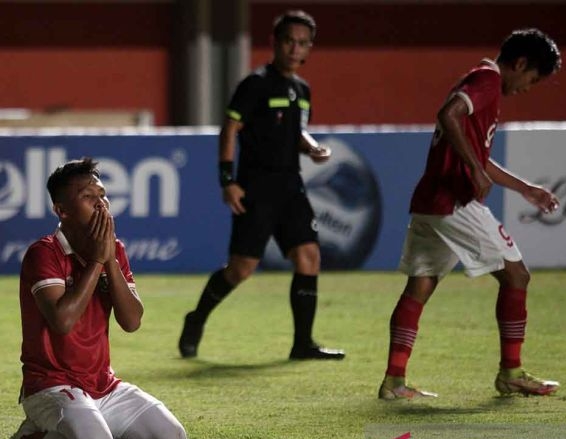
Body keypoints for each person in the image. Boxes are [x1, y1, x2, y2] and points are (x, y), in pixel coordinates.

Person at [378, 28, 562, 400]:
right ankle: (511, 373)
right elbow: (449, 115)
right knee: (516, 275)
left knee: (420, 285)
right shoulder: (488, 80)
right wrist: (474, 171)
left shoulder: (477, 79)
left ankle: (394, 382)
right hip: (454, 201)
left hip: (430, 201)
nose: (529, 87)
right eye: (532, 78)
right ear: (520, 63)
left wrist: (525, 188)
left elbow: (474, 150)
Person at [178, 10, 345, 361]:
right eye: (289, 41)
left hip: (291, 186)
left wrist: (312, 147)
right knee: (241, 269)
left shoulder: (302, 90)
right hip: (257, 187)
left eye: (302, 43)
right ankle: (196, 318)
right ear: (275, 43)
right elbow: (230, 129)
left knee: (308, 255)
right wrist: (228, 181)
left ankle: (303, 344)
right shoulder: (255, 84)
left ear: (309, 48)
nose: (295, 48)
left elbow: (295, 129)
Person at [11, 158, 186, 439]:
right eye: (88, 197)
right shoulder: (43, 253)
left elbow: (131, 321)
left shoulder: (114, 250)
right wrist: (97, 262)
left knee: (171, 433)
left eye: (103, 196)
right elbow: (62, 321)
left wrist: (110, 260)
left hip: (103, 384)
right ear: (62, 210)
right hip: (50, 385)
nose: (101, 204)